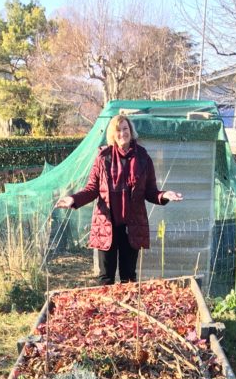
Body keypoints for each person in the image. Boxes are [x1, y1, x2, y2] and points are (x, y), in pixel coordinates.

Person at [56, 114, 183, 285]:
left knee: (128, 277)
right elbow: (92, 189)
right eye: (118, 130)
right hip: (106, 224)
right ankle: (106, 311)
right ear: (112, 134)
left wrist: (164, 195)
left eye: (125, 129)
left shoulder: (143, 158)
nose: (122, 133)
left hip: (132, 224)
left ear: (131, 131)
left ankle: (127, 310)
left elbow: (150, 191)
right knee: (105, 277)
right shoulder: (103, 158)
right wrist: (73, 199)